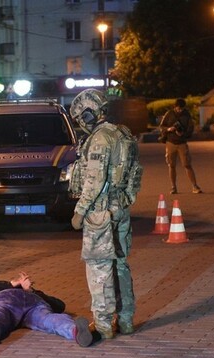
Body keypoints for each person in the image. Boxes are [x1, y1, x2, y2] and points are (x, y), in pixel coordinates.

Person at [69, 88, 142, 340]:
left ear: (88, 114)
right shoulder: (123, 134)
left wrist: (80, 211)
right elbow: (134, 174)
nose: (81, 123)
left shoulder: (100, 139)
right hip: (120, 208)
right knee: (120, 265)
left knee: (99, 268)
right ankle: (126, 320)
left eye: (81, 117)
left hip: (99, 212)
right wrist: (125, 200)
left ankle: (103, 325)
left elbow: (95, 180)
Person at [0, 271, 94, 349]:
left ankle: (76, 331)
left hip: (27, 301)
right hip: (10, 303)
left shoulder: (31, 292)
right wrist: (10, 284)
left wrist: (31, 290)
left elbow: (59, 305)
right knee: (46, 319)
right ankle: (72, 330)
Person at [158, 98, 202, 194]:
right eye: (178, 108)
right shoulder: (169, 113)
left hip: (182, 142)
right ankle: (173, 187)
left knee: (187, 164)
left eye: (182, 109)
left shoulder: (187, 115)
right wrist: (169, 129)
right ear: (175, 107)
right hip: (170, 142)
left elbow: (190, 129)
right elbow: (161, 127)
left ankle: (195, 186)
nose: (180, 110)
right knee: (171, 165)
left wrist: (183, 134)